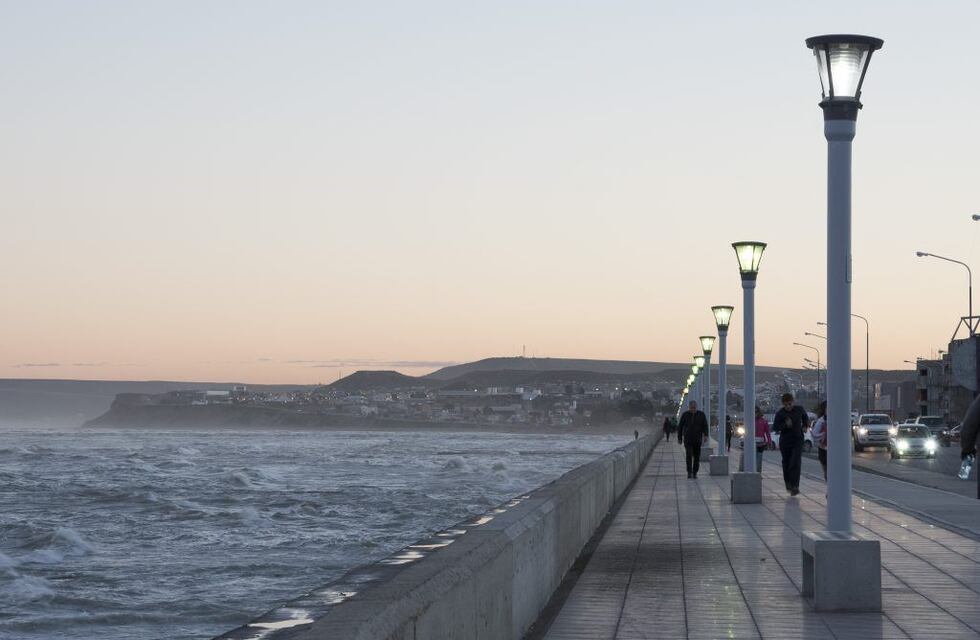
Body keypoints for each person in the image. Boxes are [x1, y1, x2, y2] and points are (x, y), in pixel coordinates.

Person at [772, 392, 809, 496]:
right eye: (786, 405)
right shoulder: (780, 413)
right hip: (785, 441)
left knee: (795, 462)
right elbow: (775, 427)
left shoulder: (799, 409)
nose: (788, 406)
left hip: (798, 440)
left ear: (793, 402)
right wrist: (785, 425)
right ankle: (788, 483)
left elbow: (805, 418)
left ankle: (795, 486)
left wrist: (805, 426)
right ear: (783, 404)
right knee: (787, 463)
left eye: (790, 404)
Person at [678, 400, 709, 479]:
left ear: (696, 407)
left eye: (694, 408)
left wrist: (706, 435)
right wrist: (679, 438)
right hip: (688, 439)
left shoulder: (701, 415)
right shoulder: (685, 415)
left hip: (697, 439)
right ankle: (689, 472)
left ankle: (695, 472)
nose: (693, 409)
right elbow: (680, 427)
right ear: (689, 407)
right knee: (688, 455)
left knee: (696, 457)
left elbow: (705, 425)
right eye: (691, 408)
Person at [810, 401, 828, 480]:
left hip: (834, 451)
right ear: (824, 410)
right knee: (827, 472)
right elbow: (814, 434)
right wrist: (823, 434)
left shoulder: (837, 420)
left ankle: (832, 490)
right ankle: (830, 489)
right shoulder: (821, 421)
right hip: (824, 451)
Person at [753, 406, 772, 473]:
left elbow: (767, 432)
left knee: (759, 459)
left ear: (759, 412)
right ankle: (754, 472)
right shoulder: (751, 421)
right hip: (752, 443)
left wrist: (769, 441)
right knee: (754, 459)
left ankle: (758, 473)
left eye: (756, 412)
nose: (755, 413)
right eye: (754, 412)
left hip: (761, 444)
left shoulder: (764, 421)